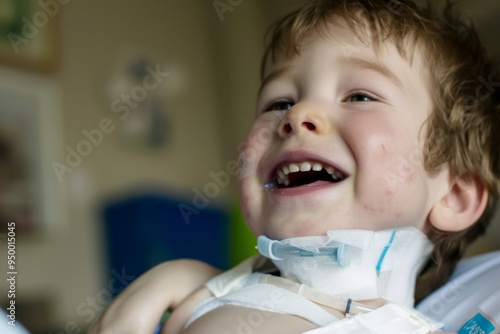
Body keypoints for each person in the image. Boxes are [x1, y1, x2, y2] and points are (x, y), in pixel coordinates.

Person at [89, 0, 500, 333]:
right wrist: (183, 276)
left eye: (359, 96)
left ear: (455, 195)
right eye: (278, 103)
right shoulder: (203, 290)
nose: (298, 112)